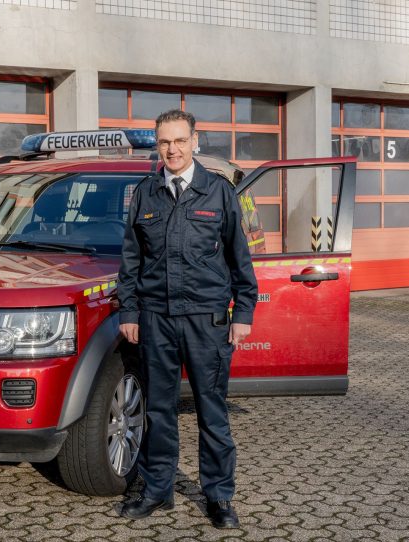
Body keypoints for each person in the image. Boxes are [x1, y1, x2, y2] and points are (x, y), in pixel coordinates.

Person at [116, 110, 257, 527]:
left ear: (195, 141)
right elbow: (131, 259)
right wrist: (130, 310)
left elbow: (239, 259)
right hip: (156, 320)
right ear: (157, 146)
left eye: (179, 140)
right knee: (158, 410)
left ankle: (219, 497)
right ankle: (158, 490)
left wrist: (243, 313)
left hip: (207, 321)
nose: (172, 149)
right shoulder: (145, 194)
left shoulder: (218, 192)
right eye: (164, 142)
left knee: (212, 410)